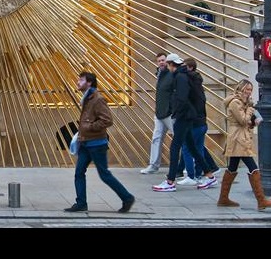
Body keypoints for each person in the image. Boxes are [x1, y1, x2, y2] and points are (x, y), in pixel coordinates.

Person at [64, 71, 135, 213]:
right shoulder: (87, 97)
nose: (78, 82)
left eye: (81, 80)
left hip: (96, 144)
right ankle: (81, 203)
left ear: (89, 83)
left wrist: (89, 127)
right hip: (85, 142)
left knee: (104, 174)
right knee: (79, 173)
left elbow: (107, 120)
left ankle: (127, 198)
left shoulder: (97, 99)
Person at [152, 54, 217, 192]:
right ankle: (209, 175)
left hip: (184, 117)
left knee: (175, 147)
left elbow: (181, 98)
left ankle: (170, 181)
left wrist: (176, 113)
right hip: (188, 116)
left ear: (170, 64)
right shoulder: (184, 75)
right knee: (192, 147)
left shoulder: (180, 78)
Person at [215, 79, 271, 210]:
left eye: (250, 90)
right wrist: (250, 111)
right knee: (253, 167)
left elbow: (246, 122)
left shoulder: (243, 103)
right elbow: (243, 120)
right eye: (247, 89)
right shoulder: (235, 102)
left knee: (232, 168)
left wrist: (254, 121)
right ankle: (261, 200)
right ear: (241, 88)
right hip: (238, 138)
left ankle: (223, 198)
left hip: (241, 137)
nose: (249, 92)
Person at [176, 57, 219, 187]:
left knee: (187, 148)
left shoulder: (189, 83)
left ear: (189, 68)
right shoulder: (198, 82)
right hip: (202, 121)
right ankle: (199, 174)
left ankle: (191, 175)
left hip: (193, 122)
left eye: (184, 66)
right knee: (199, 148)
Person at [140, 52, 173, 174]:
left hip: (169, 113)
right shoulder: (159, 74)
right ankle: (153, 165)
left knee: (181, 139)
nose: (161, 62)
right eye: (159, 61)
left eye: (163, 60)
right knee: (156, 138)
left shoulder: (171, 74)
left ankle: (189, 166)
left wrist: (171, 109)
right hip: (160, 113)